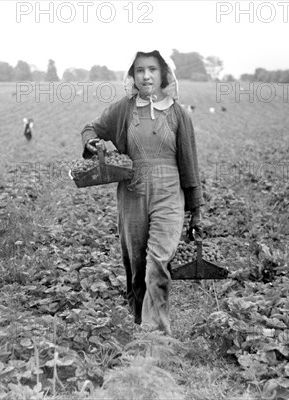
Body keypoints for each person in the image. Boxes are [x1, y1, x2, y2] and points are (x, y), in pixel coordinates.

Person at [80, 50, 203, 336]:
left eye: (152, 69)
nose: (146, 76)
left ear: (164, 74)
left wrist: (196, 210)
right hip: (133, 194)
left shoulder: (177, 113)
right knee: (136, 266)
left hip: (169, 195)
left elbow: (189, 161)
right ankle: (139, 321)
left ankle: (156, 336)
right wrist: (92, 142)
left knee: (157, 264)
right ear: (132, 76)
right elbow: (91, 128)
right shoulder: (124, 109)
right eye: (139, 70)